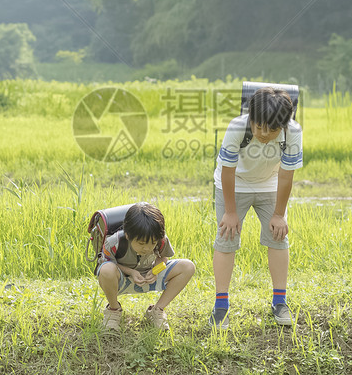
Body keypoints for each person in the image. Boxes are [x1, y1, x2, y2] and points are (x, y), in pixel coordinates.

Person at [211, 87, 302, 329]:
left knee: (278, 237)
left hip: (270, 183)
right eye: (259, 126)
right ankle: (221, 306)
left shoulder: (293, 132)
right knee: (226, 236)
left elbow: (286, 176)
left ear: (283, 125)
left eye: (272, 129)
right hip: (233, 183)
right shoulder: (237, 127)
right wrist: (230, 213)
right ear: (251, 118)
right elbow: (228, 171)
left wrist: (279, 215)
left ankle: (279, 302)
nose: (263, 133)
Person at [95, 201, 195, 332]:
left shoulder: (160, 238)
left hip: (149, 276)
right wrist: (130, 272)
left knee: (188, 266)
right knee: (106, 269)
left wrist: (155, 271)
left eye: (152, 243)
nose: (147, 248)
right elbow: (105, 263)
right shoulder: (114, 241)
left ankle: (157, 310)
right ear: (128, 235)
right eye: (141, 243)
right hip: (122, 280)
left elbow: (163, 257)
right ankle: (113, 310)